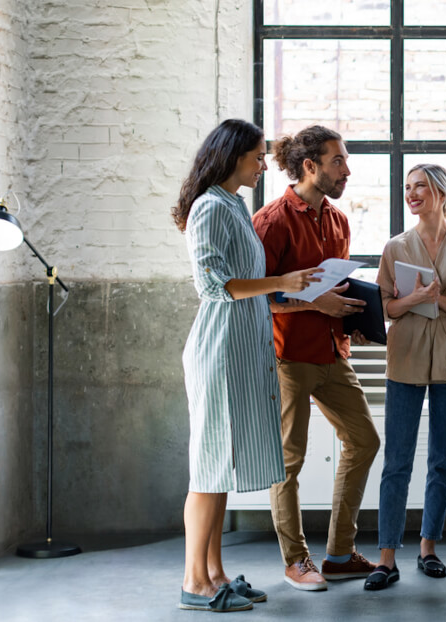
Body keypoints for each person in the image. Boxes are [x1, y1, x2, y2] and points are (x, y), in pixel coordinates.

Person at [173, 119, 323, 612]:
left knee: (220, 467)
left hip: (239, 349)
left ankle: (214, 574)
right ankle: (194, 582)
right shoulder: (209, 207)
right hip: (219, 350)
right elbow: (213, 284)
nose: (264, 165)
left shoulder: (234, 204)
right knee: (208, 468)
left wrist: (287, 285)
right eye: (258, 156)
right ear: (234, 155)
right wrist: (281, 281)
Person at [252, 125, 381, 592]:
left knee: (364, 441)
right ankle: (296, 561)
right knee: (289, 460)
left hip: (333, 352)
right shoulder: (270, 221)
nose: (347, 170)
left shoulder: (339, 221)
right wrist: (316, 304)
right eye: (337, 161)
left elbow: (335, 288)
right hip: (288, 357)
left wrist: (353, 319)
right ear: (310, 166)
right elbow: (256, 296)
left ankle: (340, 554)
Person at [363, 164, 446, 590]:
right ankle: (386, 558)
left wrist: (440, 299)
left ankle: (428, 548)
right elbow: (384, 308)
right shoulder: (395, 247)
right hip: (405, 357)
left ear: (441, 194)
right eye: (408, 187)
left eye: (420, 187)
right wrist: (415, 297)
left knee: (441, 461)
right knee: (397, 461)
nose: (412, 194)